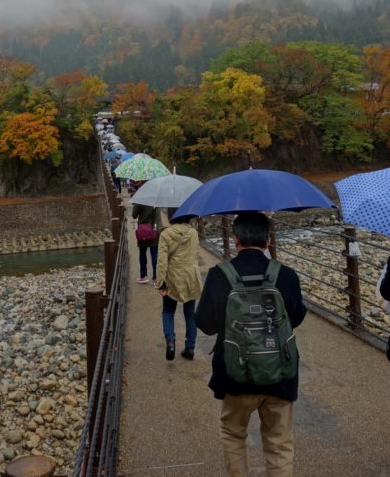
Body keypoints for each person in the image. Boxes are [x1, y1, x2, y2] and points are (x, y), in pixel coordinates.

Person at [195, 211, 306, 477]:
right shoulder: (286, 275)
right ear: (268, 240)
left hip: (236, 373)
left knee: (233, 435)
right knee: (279, 443)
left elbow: (205, 324)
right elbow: (296, 317)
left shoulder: (219, 275)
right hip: (279, 372)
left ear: (236, 240)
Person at [155, 214, 202, 361]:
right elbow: (196, 254)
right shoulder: (193, 232)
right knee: (190, 313)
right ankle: (190, 348)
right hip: (190, 276)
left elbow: (162, 261)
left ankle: (170, 342)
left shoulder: (165, 234)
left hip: (173, 277)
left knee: (168, 311)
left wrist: (160, 282)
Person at [131, 200, 158, 284]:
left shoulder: (141, 200)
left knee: (142, 253)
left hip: (143, 230)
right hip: (154, 229)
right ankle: (155, 277)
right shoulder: (156, 199)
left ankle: (144, 276)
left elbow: (134, 215)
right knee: (154, 253)